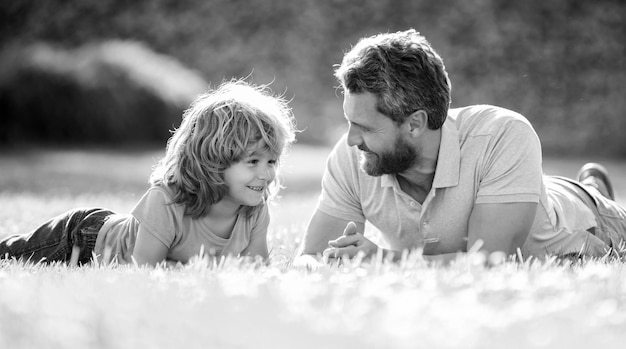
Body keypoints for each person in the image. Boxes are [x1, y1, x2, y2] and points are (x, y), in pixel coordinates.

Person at [298, 29, 626, 264]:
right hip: (509, 187)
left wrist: (381, 260)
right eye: (350, 123)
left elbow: (490, 262)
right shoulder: (351, 154)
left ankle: (593, 190)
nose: (352, 139)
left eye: (366, 127)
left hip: (590, 220)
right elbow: (309, 257)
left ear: (415, 123)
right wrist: (327, 262)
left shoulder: (504, 134)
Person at [0, 80, 296, 267]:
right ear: (214, 161)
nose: (266, 174)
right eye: (253, 162)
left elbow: (258, 267)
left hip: (101, 233)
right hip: (83, 237)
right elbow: (143, 270)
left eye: (271, 162)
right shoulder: (167, 201)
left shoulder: (254, 208)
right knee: (9, 253)